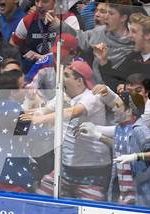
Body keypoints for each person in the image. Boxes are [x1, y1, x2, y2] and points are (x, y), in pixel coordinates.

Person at [21, 60, 112, 201]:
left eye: (66, 75)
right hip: (65, 169)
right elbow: (44, 110)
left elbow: (74, 111)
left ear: (79, 81)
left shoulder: (92, 97)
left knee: (89, 213)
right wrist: (28, 113)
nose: (61, 78)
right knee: (42, 198)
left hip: (92, 169)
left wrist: (44, 119)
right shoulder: (62, 96)